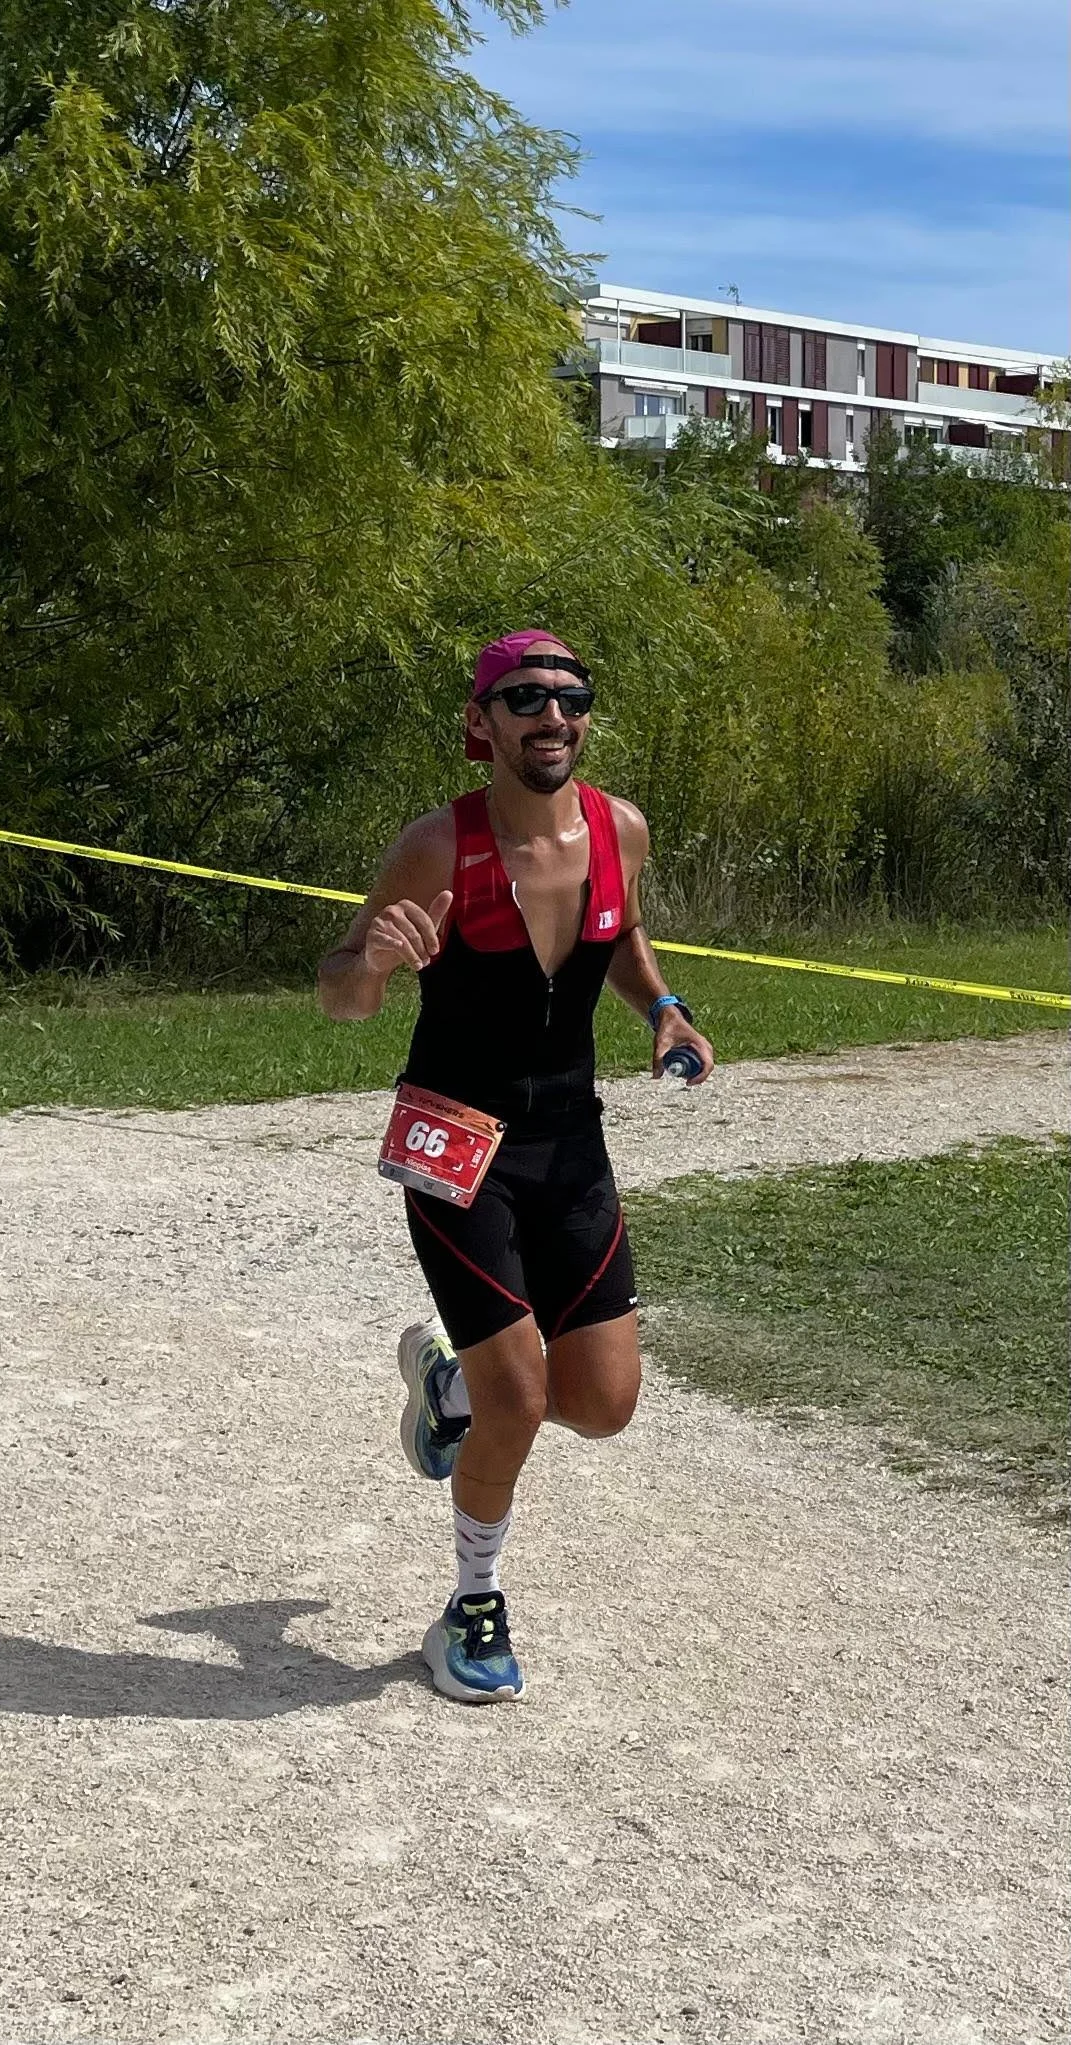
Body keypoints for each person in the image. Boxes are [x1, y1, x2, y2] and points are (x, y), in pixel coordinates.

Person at [318, 630, 714, 1704]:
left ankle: (445, 1381)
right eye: (526, 698)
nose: (553, 716)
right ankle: (471, 1604)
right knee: (521, 1395)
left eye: (571, 697)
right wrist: (375, 965)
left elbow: (622, 937)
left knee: (603, 1400)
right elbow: (339, 990)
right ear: (479, 722)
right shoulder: (436, 847)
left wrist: (665, 1011)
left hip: (567, 1137)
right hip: (453, 1132)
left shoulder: (618, 828)